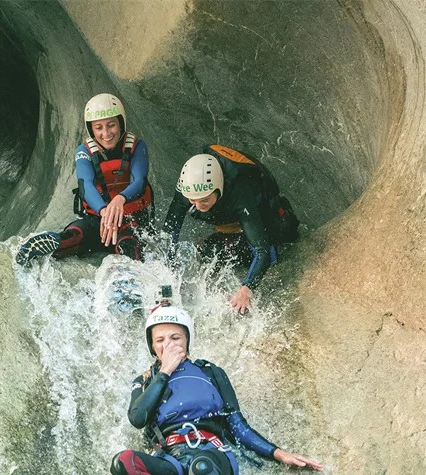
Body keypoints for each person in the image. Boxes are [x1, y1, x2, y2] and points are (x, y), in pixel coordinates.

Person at [109, 303, 322, 475]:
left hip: (211, 453)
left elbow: (237, 425)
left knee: (201, 469)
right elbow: (138, 418)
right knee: (123, 462)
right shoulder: (146, 380)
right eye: (160, 340)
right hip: (169, 459)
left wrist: (278, 453)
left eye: (176, 338)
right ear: (153, 348)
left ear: (186, 341)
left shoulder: (211, 371)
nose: (169, 345)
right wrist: (164, 371)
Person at [16, 93, 153, 265]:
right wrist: (104, 212)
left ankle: (129, 270)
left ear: (121, 123)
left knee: (129, 247)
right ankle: (37, 248)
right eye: (99, 128)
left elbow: (139, 181)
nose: (106, 133)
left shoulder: (137, 146)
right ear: (91, 129)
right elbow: (86, 185)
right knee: (74, 236)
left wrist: (120, 199)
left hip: (130, 221)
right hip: (97, 220)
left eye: (111, 125)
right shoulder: (84, 151)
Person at [161, 146, 300, 314]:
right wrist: (166, 273)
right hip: (227, 216)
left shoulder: (240, 193)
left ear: (218, 188)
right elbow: (168, 233)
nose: (197, 207)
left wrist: (246, 290)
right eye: (193, 200)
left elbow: (261, 251)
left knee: (270, 254)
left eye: (204, 200)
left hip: (261, 211)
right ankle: (222, 237)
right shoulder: (188, 188)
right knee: (207, 253)